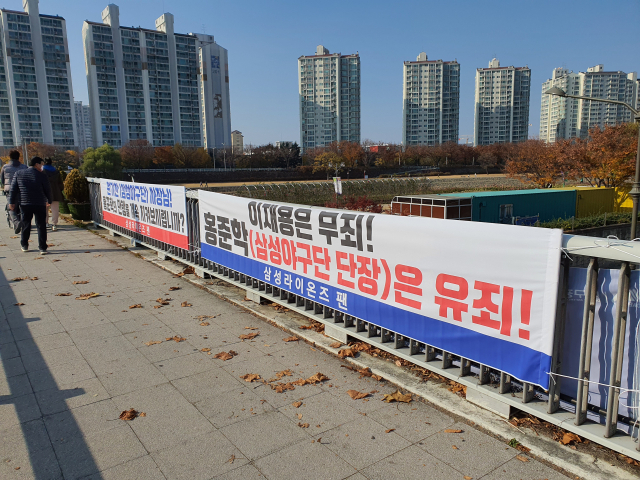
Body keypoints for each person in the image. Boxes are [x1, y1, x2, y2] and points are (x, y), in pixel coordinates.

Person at [9, 156, 52, 254]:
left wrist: (11, 202)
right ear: (36, 164)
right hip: (39, 203)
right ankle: (42, 247)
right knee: (41, 225)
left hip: (25, 203)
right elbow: (47, 189)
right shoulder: (42, 175)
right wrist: (49, 200)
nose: (42, 166)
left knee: (26, 224)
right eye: (41, 164)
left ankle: (24, 245)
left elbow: (13, 189)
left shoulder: (19, 173)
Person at [1, 150, 27, 233]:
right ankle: (24, 223)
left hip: (9, 190)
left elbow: (2, 179)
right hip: (22, 189)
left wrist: (5, 186)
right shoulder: (24, 167)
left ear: (10, 157)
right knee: (23, 207)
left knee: (11, 208)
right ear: (19, 157)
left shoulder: (5, 167)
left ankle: (16, 222)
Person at [42, 158, 64, 231]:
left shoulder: (42, 171)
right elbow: (60, 184)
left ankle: (46, 223)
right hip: (55, 192)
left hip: (44, 192)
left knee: (45, 209)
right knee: (55, 209)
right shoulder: (56, 171)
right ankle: (54, 224)